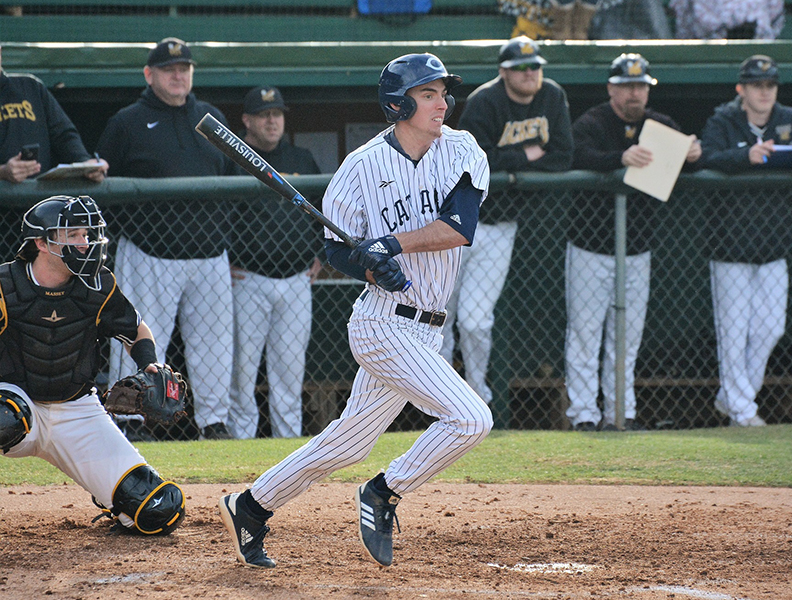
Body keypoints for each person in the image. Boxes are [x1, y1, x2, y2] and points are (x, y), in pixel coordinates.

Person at [218, 53, 493, 569]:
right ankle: (385, 492)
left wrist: (388, 245)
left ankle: (251, 506)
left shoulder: (461, 148)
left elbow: (458, 227)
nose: (442, 103)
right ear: (398, 103)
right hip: (382, 325)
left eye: (442, 93)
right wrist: (369, 268)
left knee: (346, 443)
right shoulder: (360, 167)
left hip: (427, 330)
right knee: (471, 418)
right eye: (428, 94)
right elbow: (337, 249)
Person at [0, 195, 185, 536]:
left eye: (87, 235)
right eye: (72, 236)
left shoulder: (99, 285)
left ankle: (111, 498)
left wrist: (150, 366)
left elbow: (136, 331)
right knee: (3, 419)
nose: (84, 244)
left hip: (77, 410)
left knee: (160, 510)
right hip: (16, 402)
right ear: (41, 243)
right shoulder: (5, 285)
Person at [96, 38, 238, 441]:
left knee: (214, 344)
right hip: (148, 251)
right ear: (149, 74)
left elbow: (231, 183)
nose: (178, 75)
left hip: (209, 253)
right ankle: (129, 417)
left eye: (185, 68)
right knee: (136, 333)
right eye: (169, 69)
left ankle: (214, 423)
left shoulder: (212, 118)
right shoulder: (127, 120)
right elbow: (103, 186)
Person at [565, 53, 702, 432]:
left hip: (638, 248)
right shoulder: (594, 121)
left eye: (640, 86)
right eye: (626, 86)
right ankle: (584, 414)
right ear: (612, 88)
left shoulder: (658, 125)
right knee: (585, 333)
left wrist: (693, 151)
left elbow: (690, 157)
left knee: (627, 338)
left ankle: (620, 412)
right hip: (591, 248)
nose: (634, 94)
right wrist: (618, 157)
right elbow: (575, 154)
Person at [441, 36, 573, 404]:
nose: (530, 73)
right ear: (504, 72)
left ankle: (475, 394)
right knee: (441, 314)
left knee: (475, 320)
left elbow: (563, 157)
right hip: (456, 222)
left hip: (500, 226)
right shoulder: (485, 101)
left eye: (535, 66)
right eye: (520, 68)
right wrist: (526, 156)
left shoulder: (552, 96)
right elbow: (477, 163)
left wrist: (510, 160)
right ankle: (438, 395)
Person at [700, 55, 792, 427]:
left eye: (770, 85)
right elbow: (706, 158)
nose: (764, 92)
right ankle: (743, 409)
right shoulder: (723, 119)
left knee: (770, 328)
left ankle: (733, 398)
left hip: (774, 245)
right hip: (730, 247)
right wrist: (747, 155)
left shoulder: (791, 120)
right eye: (757, 85)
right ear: (741, 89)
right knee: (733, 331)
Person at [228, 85, 322, 439]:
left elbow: (322, 212)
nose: (272, 121)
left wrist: (320, 254)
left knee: (289, 374)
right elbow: (220, 217)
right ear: (247, 121)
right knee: (242, 372)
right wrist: (224, 262)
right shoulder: (233, 159)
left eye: (277, 114)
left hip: (297, 280)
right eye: (265, 114)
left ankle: (288, 447)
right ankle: (240, 444)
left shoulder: (301, 159)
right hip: (247, 280)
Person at [0, 44, 107, 260]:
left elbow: (64, 135)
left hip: (41, 221)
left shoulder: (29, 87)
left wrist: (85, 164)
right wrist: (2, 172)